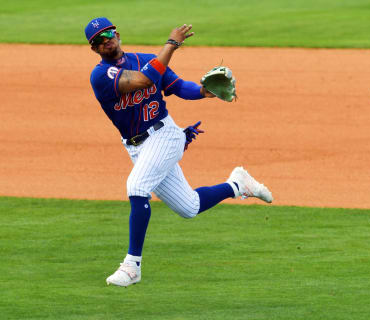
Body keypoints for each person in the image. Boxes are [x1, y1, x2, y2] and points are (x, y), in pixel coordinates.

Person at [85, 17, 273, 287]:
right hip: (138, 148)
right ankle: (237, 184)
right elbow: (140, 80)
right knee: (190, 207)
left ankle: (132, 266)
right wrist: (171, 45)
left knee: (136, 186)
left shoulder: (146, 59)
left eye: (109, 33)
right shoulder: (101, 76)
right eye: (99, 40)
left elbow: (179, 87)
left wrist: (203, 92)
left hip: (165, 135)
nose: (107, 41)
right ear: (94, 48)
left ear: (118, 34)